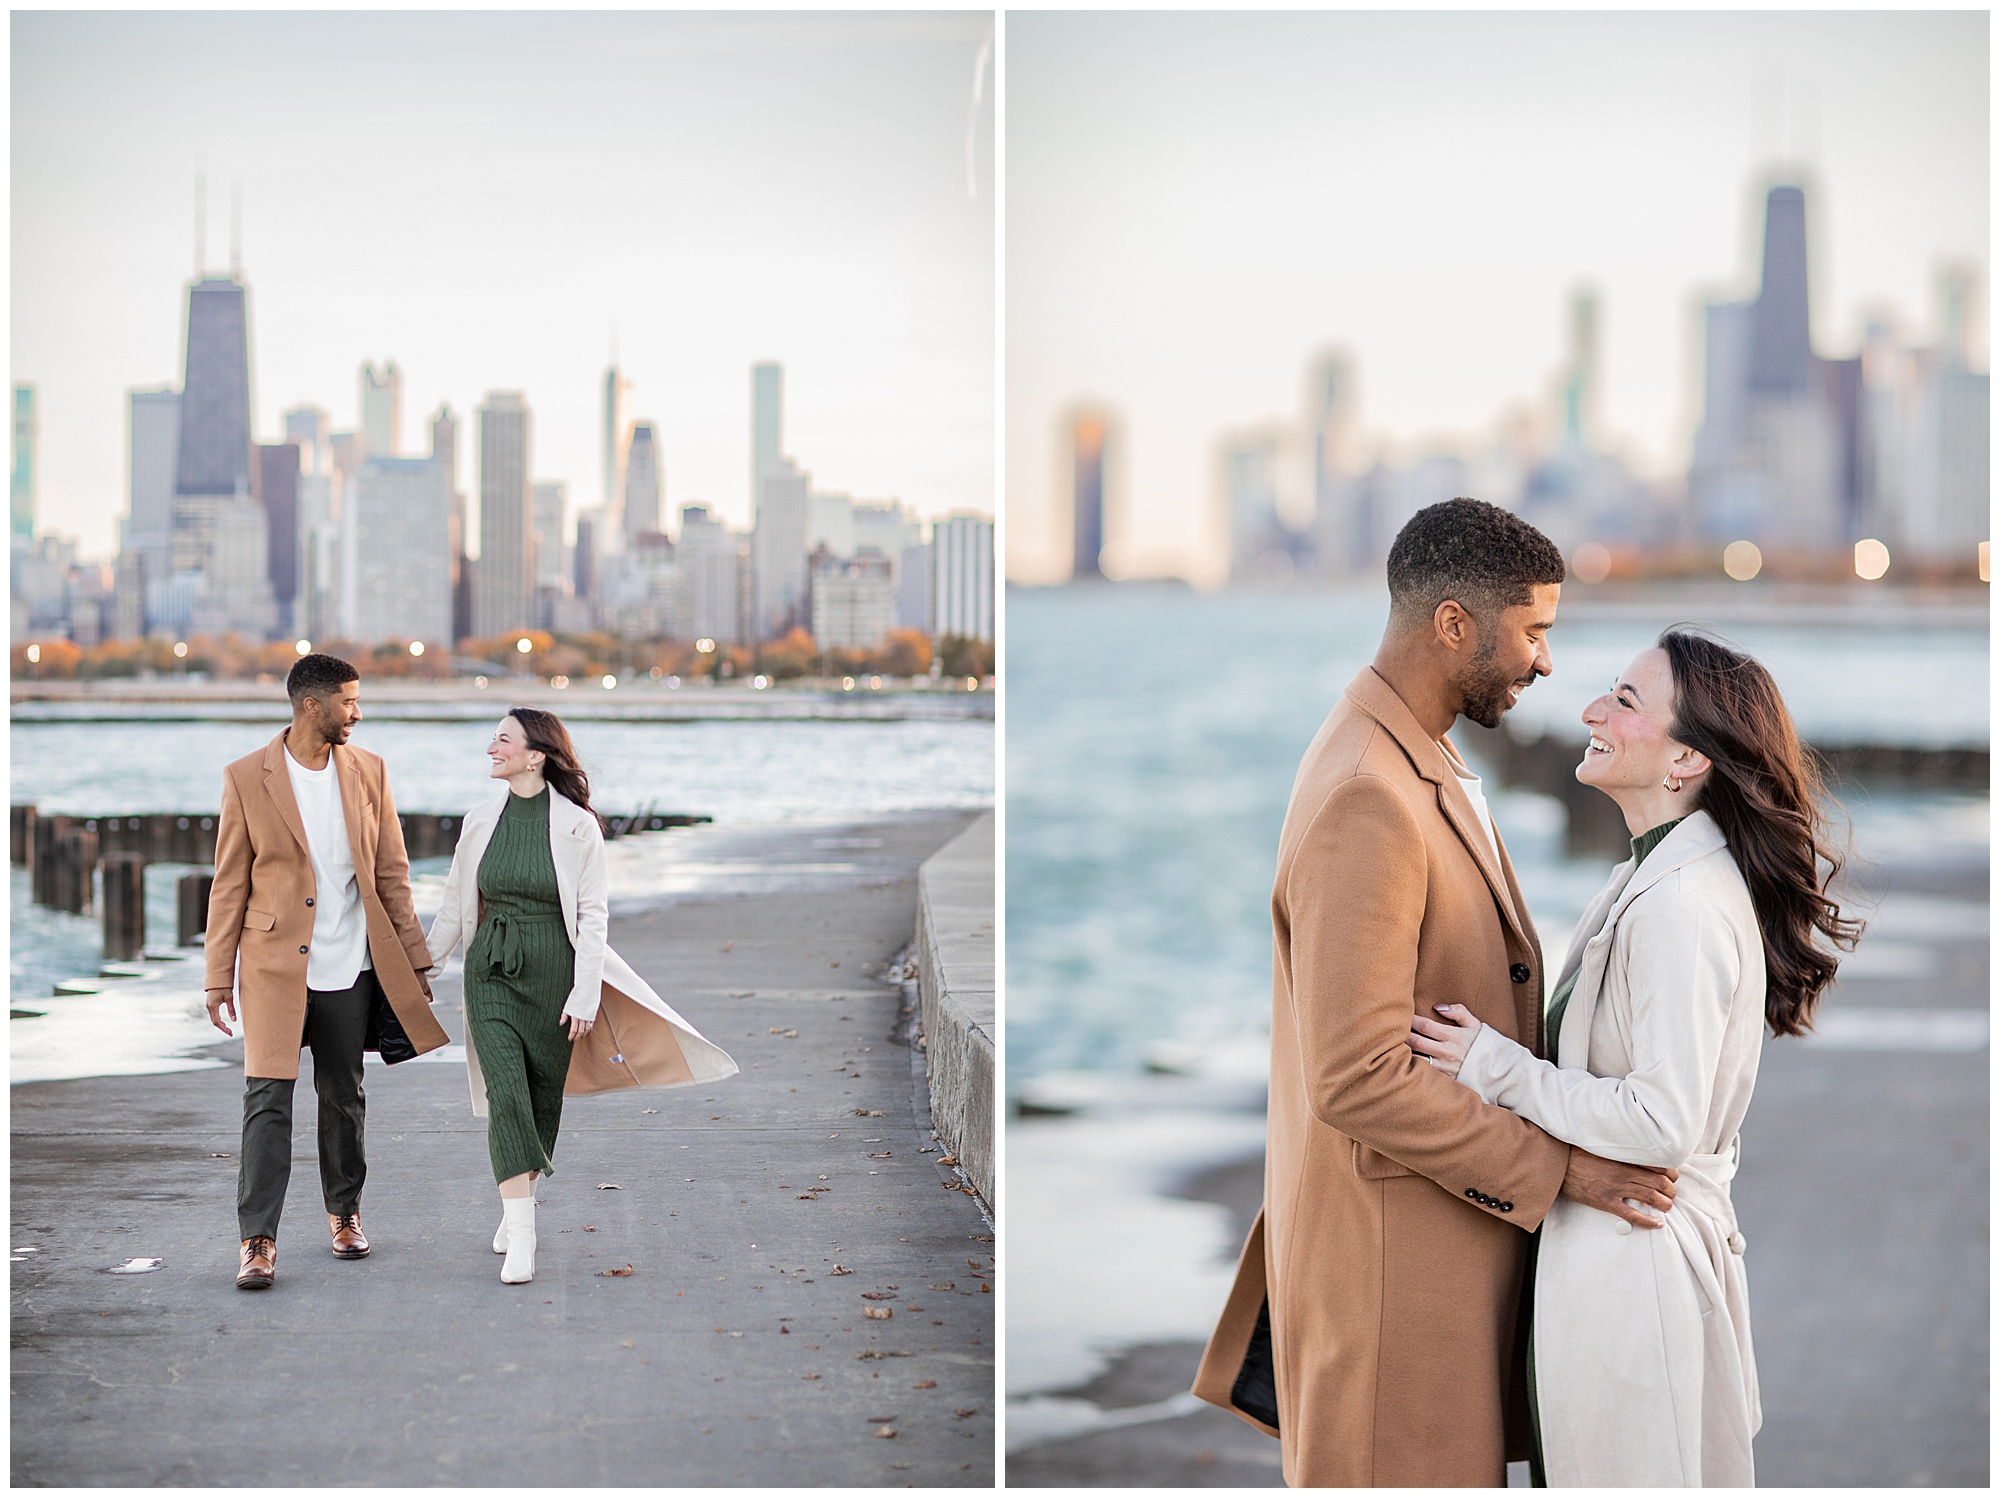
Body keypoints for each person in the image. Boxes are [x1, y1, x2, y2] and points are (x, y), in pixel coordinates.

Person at [1191, 497, 1682, 1486]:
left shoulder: (1421, 754)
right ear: (1453, 622)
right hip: (1390, 1303)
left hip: (1434, 1281)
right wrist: (1558, 1171)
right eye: (1533, 631)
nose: (1544, 662)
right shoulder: (1367, 792)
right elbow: (1356, 1078)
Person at [1406, 630, 1861, 1486]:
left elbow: (1661, 1122)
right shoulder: (1650, 876)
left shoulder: (1680, 904)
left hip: (1637, 1272)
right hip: (1621, 1264)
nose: (1589, 711)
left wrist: (1491, 1066)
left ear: (1687, 756)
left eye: (1624, 700)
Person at [423, 707, 738, 1284]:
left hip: (554, 977)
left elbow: (593, 917)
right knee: (507, 1095)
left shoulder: (577, 826)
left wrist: (585, 994)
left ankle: (516, 1199)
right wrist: (423, 968)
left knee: (543, 1102)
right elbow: (452, 906)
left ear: (535, 755)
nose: (491, 748)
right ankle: (523, 1235)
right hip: (490, 972)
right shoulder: (479, 819)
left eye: (503, 739)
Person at [205, 653, 448, 1291]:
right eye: (349, 701)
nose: (358, 713)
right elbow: (228, 885)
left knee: (344, 1096)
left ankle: (344, 1214)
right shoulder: (245, 777)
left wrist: (415, 959)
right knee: (267, 1102)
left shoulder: (370, 771)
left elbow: (392, 872)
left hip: (352, 964)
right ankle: (257, 1240)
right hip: (272, 968)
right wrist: (216, 977)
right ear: (313, 706)